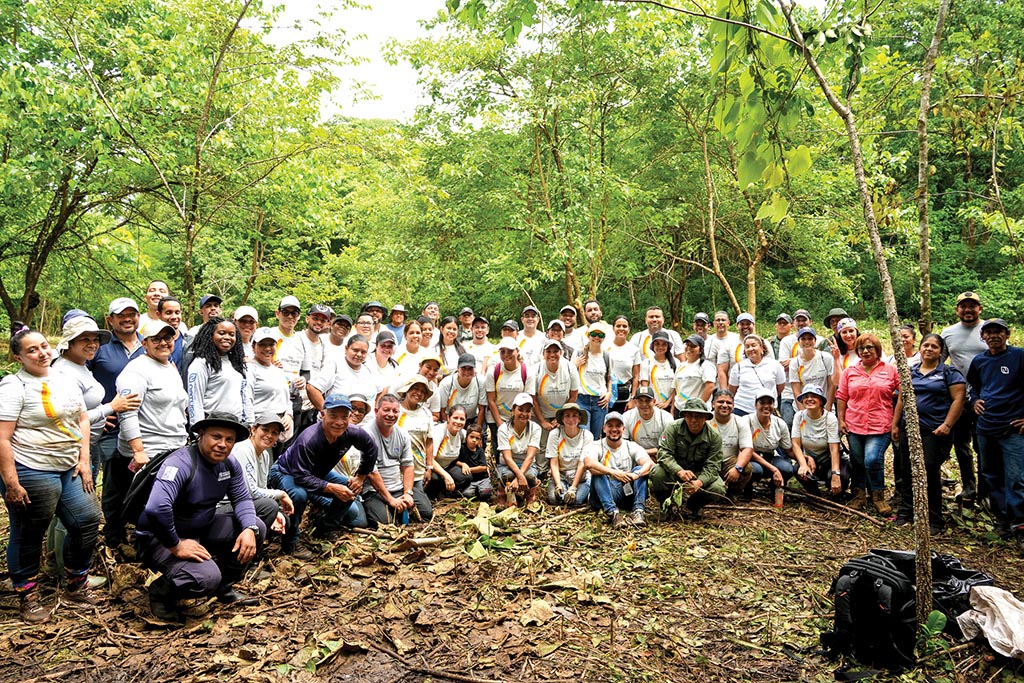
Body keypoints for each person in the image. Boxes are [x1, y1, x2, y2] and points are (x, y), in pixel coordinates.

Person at [1, 329, 101, 623]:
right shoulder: (14, 386)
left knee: (86, 520)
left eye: (44, 346)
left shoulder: (63, 378)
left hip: (69, 465)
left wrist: (84, 459)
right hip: (30, 465)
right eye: (32, 350)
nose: (42, 353)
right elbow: (2, 438)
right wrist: (11, 483)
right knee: (30, 530)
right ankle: (27, 595)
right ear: (18, 357)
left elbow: (82, 418)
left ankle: (76, 584)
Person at [136, 414, 263, 621]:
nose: (222, 444)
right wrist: (176, 545)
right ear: (201, 434)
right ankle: (161, 592)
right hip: (161, 538)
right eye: (216, 437)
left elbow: (242, 498)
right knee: (206, 578)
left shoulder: (229, 464)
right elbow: (157, 507)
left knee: (255, 527)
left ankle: (224, 587)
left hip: (200, 528)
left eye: (229, 440)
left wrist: (249, 528)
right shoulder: (180, 463)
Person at [109, 321, 189, 549]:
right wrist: (138, 451)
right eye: (156, 339)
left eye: (168, 338)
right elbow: (127, 412)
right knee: (150, 503)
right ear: (144, 343)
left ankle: (161, 544)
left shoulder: (169, 366)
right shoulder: (136, 371)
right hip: (150, 450)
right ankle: (143, 547)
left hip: (174, 445)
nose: (163, 343)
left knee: (170, 501)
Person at [268, 394, 379, 558]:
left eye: (344, 417)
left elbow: (371, 449)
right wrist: (331, 488)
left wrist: (360, 477)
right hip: (287, 472)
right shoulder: (309, 439)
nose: (339, 422)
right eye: (333, 416)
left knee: (350, 489)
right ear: (322, 415)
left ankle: (325, 528)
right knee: (299, 495)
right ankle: (291, 542)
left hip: (317, 473)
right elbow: (301, 477)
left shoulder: (353, 433)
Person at [892, 334, 965, 533]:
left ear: (941, 352)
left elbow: (959, 400)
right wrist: (895, 424)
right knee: (907, 469)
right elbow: (901, 399)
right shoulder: (910, 372)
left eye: (934, 346)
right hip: (910, 429)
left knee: (929, 470)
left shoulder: (949, 373)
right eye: (926, 345)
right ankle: (906, 512)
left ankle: (934, 519)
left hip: (935, 431)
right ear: (920, 348)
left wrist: (947, 425)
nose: (929, 349)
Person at [52, 315, 139, 478]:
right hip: (70, 452)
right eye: (85, 339)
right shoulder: (63, 372)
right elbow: (69, 418)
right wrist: (111, 407)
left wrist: (100, 416)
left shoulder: (80, 364)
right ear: (70, 342)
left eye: (95, 339)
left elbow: (85, 408)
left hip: (89, 445)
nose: (92, 344)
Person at [966, 318, 1024, 540]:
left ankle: (1020, 523)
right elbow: (973, 387)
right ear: (983, 337)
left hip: (1013, 429)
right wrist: (974, 401)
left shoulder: (1019, 356)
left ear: (1007, 334)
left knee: (1016, 478)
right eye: (988, 332)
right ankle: (1002, 520)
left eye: (998, 331)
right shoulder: (980, 361)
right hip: (986, 427)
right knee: (992, 475)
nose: (993, 336)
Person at [836, 332, 900, 515]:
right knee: (857, 461)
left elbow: (904, 394)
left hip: (881, 425)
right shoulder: (850, 372)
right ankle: (858, 495)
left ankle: (878, 495)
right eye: (861, 348)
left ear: (877, 349)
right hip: (854, 424)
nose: (865, 351)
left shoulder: (890, 370)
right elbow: (842, 396)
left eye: (869, 347)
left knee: (872, 459)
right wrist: (841, 419)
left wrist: (895, 423)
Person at [941, 291, 988, 507]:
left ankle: (986, 490)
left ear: (980, 309)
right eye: (963, 306)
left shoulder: (989, 330)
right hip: (959, 397)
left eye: (972, 306)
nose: (968, 310)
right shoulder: (948, 333)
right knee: (961, 444)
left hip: (986, 397)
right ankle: (969, 487)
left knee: (983, 445)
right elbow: (939, 362)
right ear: (957, 310)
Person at [650, 398, 726, 519]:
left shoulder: (714, 436)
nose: (693, 420)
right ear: (684, 416)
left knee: (718, 487)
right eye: (690, 415)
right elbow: (663, 453)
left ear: (706, 418)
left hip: (698, 474)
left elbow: (713, 466)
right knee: (657, 472)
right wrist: (678, 471)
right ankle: (665, 505)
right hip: (675, 471)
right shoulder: (673, 428)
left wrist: (699, 482)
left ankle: (694, 505)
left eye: (698, 416)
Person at [362, 393, 431, 526]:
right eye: (386, 410)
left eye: (395, 411)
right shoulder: (366, 434)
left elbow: (408, 466)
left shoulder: (402, 433)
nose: (391, 414)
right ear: (376, 411)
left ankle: (399, 508)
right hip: (374, 490)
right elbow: (371, 472)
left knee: (426, 513)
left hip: (398, 486)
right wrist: (391, 500)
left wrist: (407, 493)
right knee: (385, 522)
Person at [229, 412, 295, 542]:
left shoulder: (265, 454)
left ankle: (258, 545)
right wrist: (281, 494)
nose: (269, 435)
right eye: (265, 430)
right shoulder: (243, 450)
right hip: (230, 504)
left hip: (249, 503)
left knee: (284, 517)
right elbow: (250, 492)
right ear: (253, 430)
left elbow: (262, 487)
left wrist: (276, 513)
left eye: (274, 433)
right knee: (270, 506)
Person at [585, 411, 653, 526]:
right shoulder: (596, 445)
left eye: (618, 426)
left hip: (625, 490)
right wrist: (613, 472)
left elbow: (649, 463)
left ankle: (638, 511)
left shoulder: (631, 446)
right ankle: (613, 513)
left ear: (623, 429)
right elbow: (589, 463)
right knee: (598, 472)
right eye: (610, 426)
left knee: (640, 469)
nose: (614, 429)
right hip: (603, 492)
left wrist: (636, 474)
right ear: (604, 428)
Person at [186, 317, 252, 427]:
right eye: (221, 333)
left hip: (236, 425)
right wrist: (198, 431)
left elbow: (245, 397)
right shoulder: (201, 363)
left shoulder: (237, 364)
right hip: (212, 425)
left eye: (231, 334)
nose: (227, 337)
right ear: (210, 335)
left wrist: (249, 423)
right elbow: (195, 401)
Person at [791, 384, 847, 499]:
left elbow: (834, 449)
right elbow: (795, 444)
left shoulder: (830, 418)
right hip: (812, 459)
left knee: (842, 476)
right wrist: (803, 464)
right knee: (798, 469)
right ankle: (815, 495)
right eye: (806, 397)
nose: (809, 399)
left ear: (821, 401)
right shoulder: (799, 416)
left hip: (830, 459)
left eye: (814, 396)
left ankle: (837, 494)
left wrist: (835, 474)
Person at [268, 296, 310, 445]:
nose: (290, 316)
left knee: (290, 443)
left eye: (294, 313)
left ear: (299, 316)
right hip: (271, 396)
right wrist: (269, 363)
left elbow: (306, 371)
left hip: (294, 398)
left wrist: (304, 379)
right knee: (269, 441)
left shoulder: (302, 340)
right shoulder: (269, 334)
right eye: (286, 312)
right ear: (277, 313)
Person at [308, 334, 378, 422]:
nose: (359, 354)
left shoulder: (368, 371)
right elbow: (312, 388)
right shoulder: (335, 365)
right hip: (335, 425)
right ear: (346, 348)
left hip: (362, 426)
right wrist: (327, 413)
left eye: (363, 352)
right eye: (355, 350)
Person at [485, 337, 535, 456]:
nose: (506, 354)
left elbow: (528, 400)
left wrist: (520, 420)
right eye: (502, 351)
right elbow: (491, 400)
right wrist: (500, 424)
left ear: (517, 351)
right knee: (499, 452)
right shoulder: (493, 371)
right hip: (497, 417)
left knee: (518, 451)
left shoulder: (527, 372)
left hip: (520, 417)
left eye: (510, 351)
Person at [532, 339, 580, 455]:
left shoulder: (570, 368)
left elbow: (573, 395)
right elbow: (533, 398)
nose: (552, 354)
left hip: (563, 412)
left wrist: (561, 417)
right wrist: (542, 421)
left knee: (561, 445)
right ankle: (541, 466)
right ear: (543, 354)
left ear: (561, 353)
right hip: (540, 413)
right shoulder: (535, 370)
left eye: (555, 351)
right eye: (548, 351)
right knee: (541, 446)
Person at [248, 327, 294, 441]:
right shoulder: (249, 369)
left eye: (271, 344)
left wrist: (289, 414)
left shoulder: (278, 370)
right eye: (262, 344)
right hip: (261, 429)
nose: (267, 348)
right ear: (253, 347)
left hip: (281, 430)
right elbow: (246, 401)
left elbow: (287, 398)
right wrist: (251, 427)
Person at [746, 389, 795, 496]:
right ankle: (747, 488)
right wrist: (774, 469)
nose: (766, 406)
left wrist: (804, 459)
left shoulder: (780, 423)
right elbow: (747, 450)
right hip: (751, 457)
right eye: (762, 403)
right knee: (755, 470)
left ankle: (774, 488)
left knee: (787, 469)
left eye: (770, 403)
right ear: (755, 405)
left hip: (770, 456)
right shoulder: (747, 421)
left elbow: (788, 450)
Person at [496, 393, 542, 506]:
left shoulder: (535, 428)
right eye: (520, 409)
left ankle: (530, 494)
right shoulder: (503, 429)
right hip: (507, 465)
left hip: (528, 465)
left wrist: (519, 477)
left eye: (528, 411)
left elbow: (530, 456)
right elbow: (507, 457)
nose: (524, 414)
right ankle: (502, 493)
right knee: (507, 475)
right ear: (513, 410)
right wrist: (520, 476)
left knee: (530, 475)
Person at [396, 374, 436, 500]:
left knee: (424, 509)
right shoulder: (395, 410)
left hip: (417, 472)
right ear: (407, 389)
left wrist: (429, 467)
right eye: (415, 388)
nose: (419, 393)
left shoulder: (426, 413)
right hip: (396, 472)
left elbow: (429, 441)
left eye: (423, 391)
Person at [708, 389, 754, 499]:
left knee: (746, 468)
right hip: (708, 462)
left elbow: (747, 448)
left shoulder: (740, 422)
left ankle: (732, 493)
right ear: (713, 404)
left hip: (728, 462)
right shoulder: (706, 420)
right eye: (721, 402)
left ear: (733, 406)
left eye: (728, 403)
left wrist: (737, 468)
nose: (725, 405)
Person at [545, 403, 593, 506]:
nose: (571, 419)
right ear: (562, 419)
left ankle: (584, 490)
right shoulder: (555, 434)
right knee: (555, 499)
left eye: (574, 415)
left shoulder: (587, 435)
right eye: (567, 415)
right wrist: (558, 484)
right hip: (561, 476)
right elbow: (554, 462)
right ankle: (560, 488)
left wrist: (573, 488)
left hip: (580, 478)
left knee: (576, 500)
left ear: (579, 419)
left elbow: (582, 463)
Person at [727, 335, 785, 417]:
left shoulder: (775, 365)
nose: (750, 349)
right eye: (747, 347)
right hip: (742, 409)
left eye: (753, 345)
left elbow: (780, 386)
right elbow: (732, 390)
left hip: (766, 409)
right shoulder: (738, 367)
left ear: (762, 348)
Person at [788, 328, 837, 421]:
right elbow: (796, 391)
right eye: (803, 339)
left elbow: (832, 385)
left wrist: (828, 408)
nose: (807, 342)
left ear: (815, 341)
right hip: (805, 406)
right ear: (799, 342)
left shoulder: (825, 358)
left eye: (810, 338)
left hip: (825, 406)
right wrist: (803, 413)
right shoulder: (795, 363)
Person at [574, 323, 613, 439]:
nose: (597, 337)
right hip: (582, 399)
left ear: (604, 338)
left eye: (600, 335)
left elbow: (609, 378)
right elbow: (570, 375)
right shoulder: (579, 354)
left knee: (596, 437)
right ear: (588, 336)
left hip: (600, 401)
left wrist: (609, 393)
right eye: (594, 334)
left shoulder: (607, 356)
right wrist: (575, 365)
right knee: (584, 436)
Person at [717, 313, 775, 389]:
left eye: (748, 324)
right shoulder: (728, 344)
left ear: (753, 325)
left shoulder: (764, 343)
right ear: (737, 326)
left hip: (761, 388)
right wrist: (724, 392)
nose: (745, 326)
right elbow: (722, 371)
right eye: (742, 324)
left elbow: (772, 367)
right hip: (736, 389)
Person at [426, 406, 468, 499]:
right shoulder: (439, 432)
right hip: (432, 467)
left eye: (462, 419)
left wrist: (463, 464)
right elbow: (430, 459)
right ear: (448, 418)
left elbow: (475, 439)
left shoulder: (462, 433)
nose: (458, 422)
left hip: (448, 466)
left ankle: (447, 493)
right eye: (455, 418)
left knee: (466, 476)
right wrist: (446, 475)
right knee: (435, 479)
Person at [622, 386, 673, 457]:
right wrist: (643, 456)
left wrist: (646, 454)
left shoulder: (666, 417)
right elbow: (623, 445)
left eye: (648, 400)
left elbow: (669, 446)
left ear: (654, 402)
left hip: (660, 456)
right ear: (635, 402)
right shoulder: (627, 417)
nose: (644, 404)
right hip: (635, 456)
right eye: (640, 401)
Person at [672, 334, 716, 413]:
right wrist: (673, 409)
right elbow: (675, 389)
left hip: (697, 410)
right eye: (687, 345)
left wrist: (698, 406)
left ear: (701, 350)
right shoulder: (681, 366)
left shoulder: (706, 366)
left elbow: (710, 387)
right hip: (679, 408)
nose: (689, 348)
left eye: (693, 346)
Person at [607, 315, 641, 413]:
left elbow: (636, 376)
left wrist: (633, 398)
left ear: (629, 329)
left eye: (624, 326)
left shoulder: (634, 350)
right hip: (607, 397)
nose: (621, 329)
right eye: (618, 326)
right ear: (613, 328)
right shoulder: (605, 347)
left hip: (625, 398)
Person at [438, 353, 484, 424]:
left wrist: (478, 428)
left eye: (470, 368)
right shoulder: (446, 384)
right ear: (457, 368)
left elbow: (482, 409)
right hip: (452, 420)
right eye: (463, 368)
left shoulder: (481, 382)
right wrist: (448, 427)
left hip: (472, 419)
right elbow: (442, 411)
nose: (467, 372)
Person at [639, 330, 676, 413]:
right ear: (652, 346)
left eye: (664, 344)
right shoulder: (646, 363)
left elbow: (677, 387)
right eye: (657, 344)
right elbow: (645, 386)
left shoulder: (676, 363)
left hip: (671, 406)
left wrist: (667, 403)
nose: (660, 347)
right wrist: (651, 402)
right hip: (653, 406)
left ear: (668, 346)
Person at [455, 423, 493, 500]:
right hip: (471, 481)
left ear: (480, 440)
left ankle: (481, 491)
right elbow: (455, 461)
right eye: (471, 437)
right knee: (467, 494)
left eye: (477, 438)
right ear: (466, 437)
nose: (474, 440)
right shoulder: (462, 448)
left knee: (486, 493)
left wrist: (469, 469)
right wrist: (462, 464)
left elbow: (483, 467)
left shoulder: (480, 451)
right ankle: (475, 491)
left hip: (482, 479)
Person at [704, 311, 739, 384]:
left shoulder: (736, 338)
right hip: (714, 381)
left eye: (723, 320)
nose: (720, 322)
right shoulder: (708, 341)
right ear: (714, 323)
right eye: (718, 320)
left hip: (734, 380)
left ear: (728, 323)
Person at [367, 329, 400, 402]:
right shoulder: (366, 361)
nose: (386, 349)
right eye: (383, 345)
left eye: (390, 346)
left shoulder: (394, 366)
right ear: (376, 346)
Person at [156, 296, 187, 368]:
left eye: (177, 312)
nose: (174, 317)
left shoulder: (189, 343)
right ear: (158, 315)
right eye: (168, 313)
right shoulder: (152, 344)